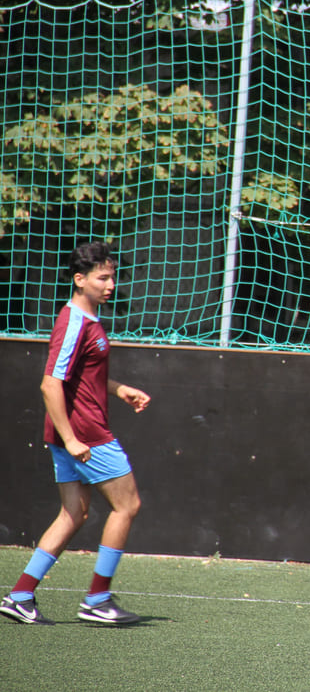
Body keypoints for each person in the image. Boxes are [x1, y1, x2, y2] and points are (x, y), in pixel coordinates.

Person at [1, 241, 151, 626]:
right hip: (85, 434)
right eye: (102, 278)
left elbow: (84, 376)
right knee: (127, 505)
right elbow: (51, 384)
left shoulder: (87, 321)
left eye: (113, 277)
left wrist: (119, 390)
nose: (111, 285)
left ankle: (20, 595)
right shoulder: (73, 323)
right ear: (79, 280)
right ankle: (98, 600)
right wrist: (71, 439)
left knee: (73, 513)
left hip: (74, 433)